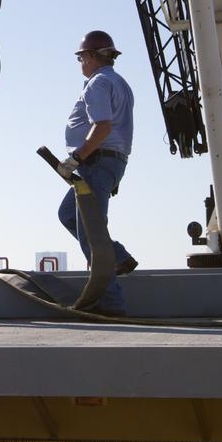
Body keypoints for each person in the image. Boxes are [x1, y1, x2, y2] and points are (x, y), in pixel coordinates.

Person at [55, 30, 137, 315]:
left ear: (91, 57)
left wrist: (77, 157)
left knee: (91, 234)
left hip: (96, 162)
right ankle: (118, 257)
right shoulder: (119, 83)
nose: (80, 63)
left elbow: (101, 127)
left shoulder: (97, 84)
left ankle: (111, 303)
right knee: (68, 215)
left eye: (81, 57)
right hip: (108, 162)